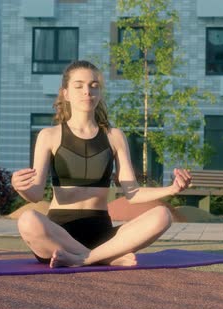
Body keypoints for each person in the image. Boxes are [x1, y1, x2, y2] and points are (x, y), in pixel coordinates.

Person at [11, 60, 192, 268]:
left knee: (163, 215)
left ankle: (84, 258)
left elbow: (132, 193)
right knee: (27, 220)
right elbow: (35, 195)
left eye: (94, 86)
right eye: (79, 86)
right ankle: (102, 258)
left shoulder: (114, 136)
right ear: (66, 93)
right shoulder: (49, 136)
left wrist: (172, 188)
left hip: (103, 235)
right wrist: (20, 187)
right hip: (58, 235)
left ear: (100, 93)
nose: (87, 91)